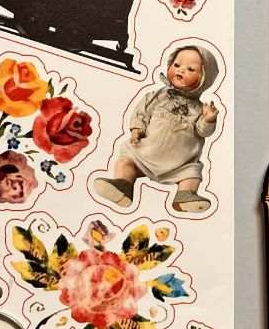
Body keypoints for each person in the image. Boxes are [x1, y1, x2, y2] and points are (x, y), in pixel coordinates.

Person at [93, 44, 219, 213]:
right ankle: (123, 186)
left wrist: (208, 119)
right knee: (125, 160)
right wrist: (137, 129)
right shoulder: (157, 96)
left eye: (191, 69)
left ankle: (185, 196)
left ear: (205, 78)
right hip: (145, 155)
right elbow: (142, 112)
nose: (180, 70)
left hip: (180, 164)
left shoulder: (199, 109)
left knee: (192, 173)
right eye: (176, 65)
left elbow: (202, 131)